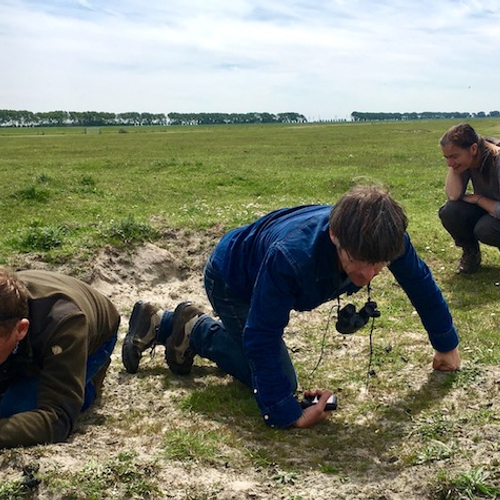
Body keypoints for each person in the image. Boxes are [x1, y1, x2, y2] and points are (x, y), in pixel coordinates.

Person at [122, 185, 460, 429]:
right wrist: (284, 412)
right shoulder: (293, 257)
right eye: (357, 261)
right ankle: (190, 328)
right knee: (281, 380)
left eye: (379, 264)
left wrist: (447, 346)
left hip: (261, 267)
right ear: (335, 238)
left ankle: (174, 324)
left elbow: (420, 283)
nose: (367, 275)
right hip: (233, 279)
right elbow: (261, 335)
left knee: (275, 378)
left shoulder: (386, 236)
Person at [0, 268, 120, 449]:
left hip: (93, 337)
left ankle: (85, 385)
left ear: (20, 329)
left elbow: (57, 419)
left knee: (12, 410)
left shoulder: (65, 324)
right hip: (24, 346)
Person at [438, 123, 500, 273]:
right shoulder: (471, 159)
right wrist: (455, 165)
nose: (449, 163)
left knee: (485, 229)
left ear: (473, 148)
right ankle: (471, 254)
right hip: (491, 209)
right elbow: (453, 195)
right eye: (446, 157)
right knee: (450, 211)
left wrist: (479, 199)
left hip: (495, 210)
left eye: (454, 156)